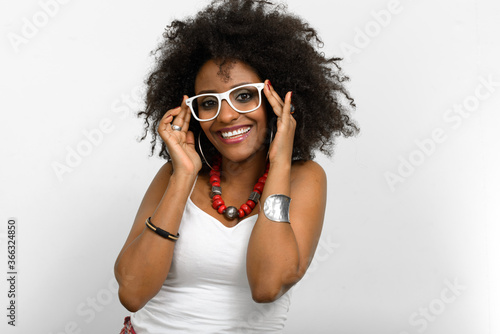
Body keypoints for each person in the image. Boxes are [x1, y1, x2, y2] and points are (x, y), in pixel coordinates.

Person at [114, 0, 358, 332]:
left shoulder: (304, 178)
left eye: (244, 95)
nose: (226, 116)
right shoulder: (175, 175)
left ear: (278, 100)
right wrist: (183, 176)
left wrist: (280, 163)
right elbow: (132, 292)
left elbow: (267, 285)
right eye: (209, 102)